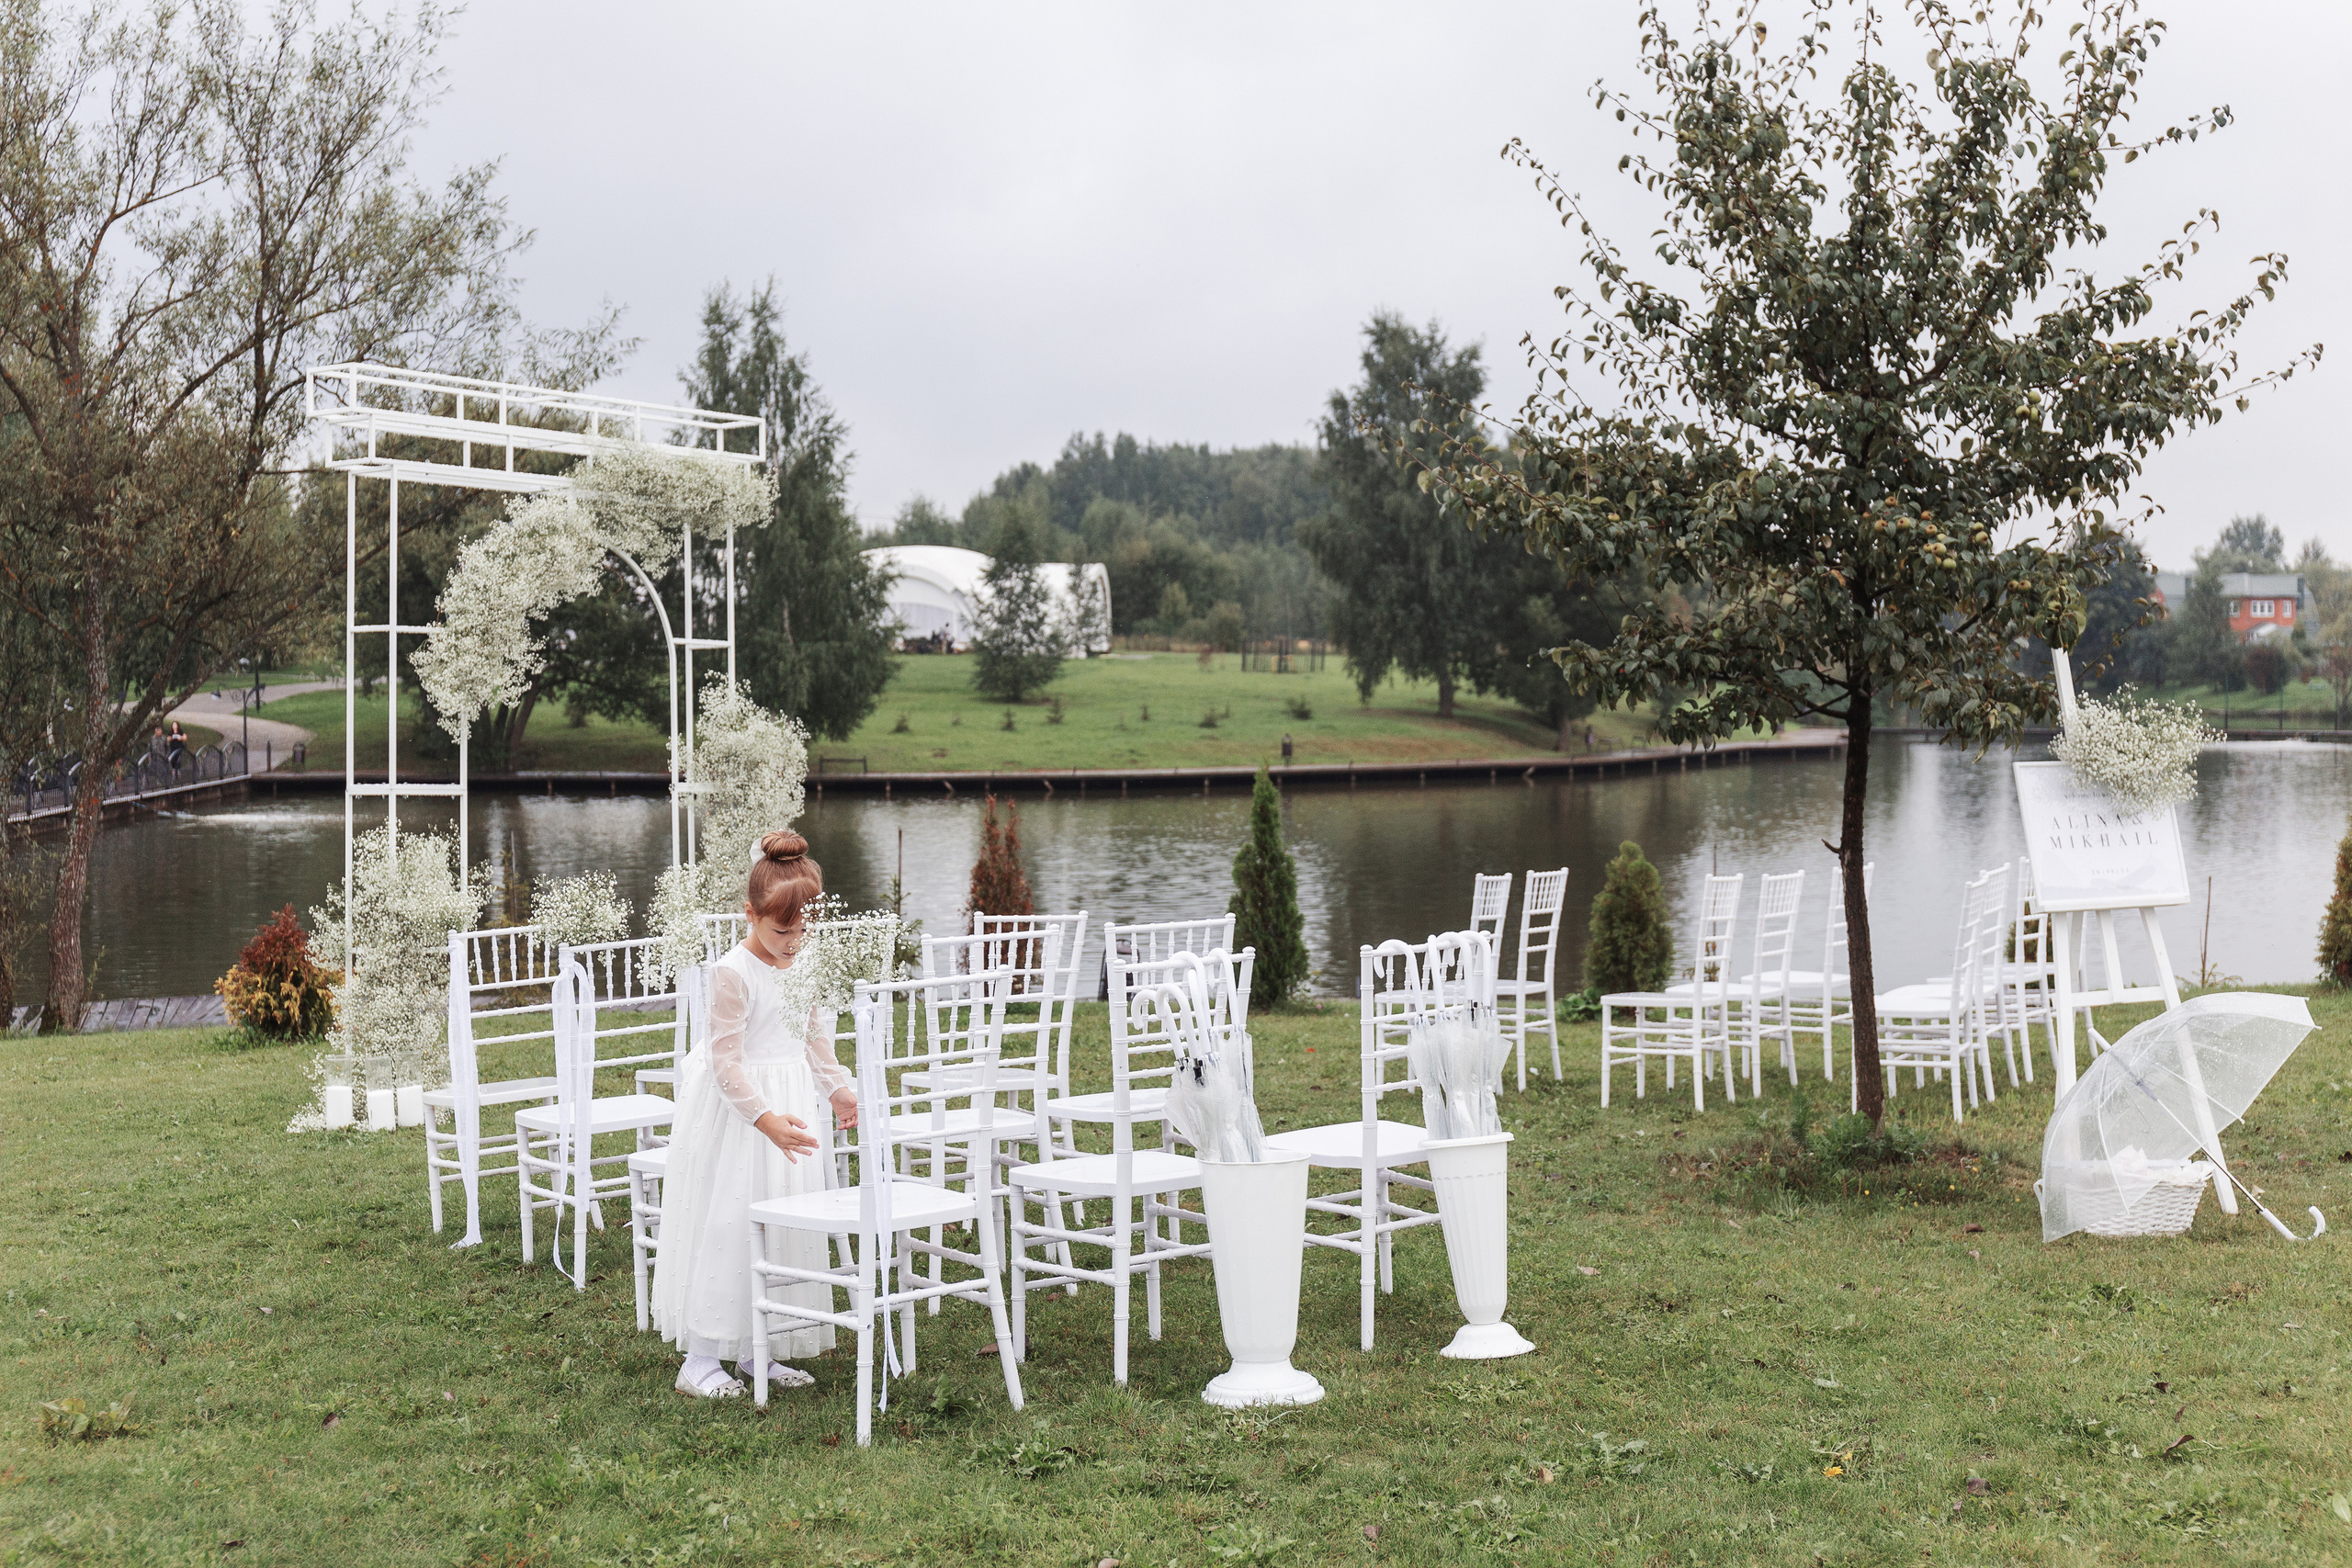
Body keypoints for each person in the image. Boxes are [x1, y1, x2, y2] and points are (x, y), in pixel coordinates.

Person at [651, 829, 859, 1398]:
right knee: (731, 1223)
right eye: (780, 930)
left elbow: (812, 1037)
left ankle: (758, 1350)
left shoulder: (804, 965)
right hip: (743, 1116)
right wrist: (763, 1119)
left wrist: (838, 1088)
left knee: (785, 1223)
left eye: (802, 929)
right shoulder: (732, 973)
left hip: (792, 1105)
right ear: (750, 913)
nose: (793, 942)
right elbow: (724, 1062)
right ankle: (700, 1358)